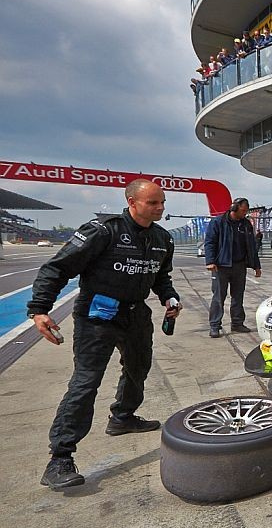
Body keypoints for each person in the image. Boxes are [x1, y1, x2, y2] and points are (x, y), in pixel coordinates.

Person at [29, 179, 181, 490]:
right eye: (153, 203)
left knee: (139, 368)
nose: (160, 208)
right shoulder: (103, 231)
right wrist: (40, 309)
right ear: (132, 203)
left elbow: (160, 276)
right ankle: (60, 458)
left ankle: (123, 416)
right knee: (86, 381)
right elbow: (56, 268)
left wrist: (170, 297)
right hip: (97, 314)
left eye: (162, 202)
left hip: (136, 314)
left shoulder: (163, 238)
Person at [205, 197, 261, 338]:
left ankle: (237, 323)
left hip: (239, 265)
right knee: (219, 297)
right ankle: (215, 326)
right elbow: (210, 242)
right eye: (243, 210)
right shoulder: (218, 222)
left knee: (238, 296)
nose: (245, 213)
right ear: (234, 208)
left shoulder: (246, 224)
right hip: (221, 266)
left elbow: (252, 246)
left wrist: (256, 266)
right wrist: (210, 261)